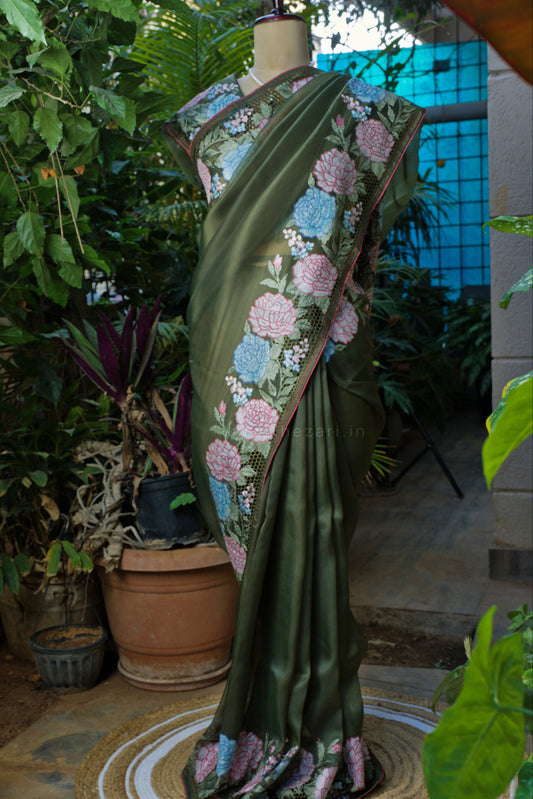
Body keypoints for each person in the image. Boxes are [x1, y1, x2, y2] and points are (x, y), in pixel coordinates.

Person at [162, 4, 424, 797]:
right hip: (230, 364)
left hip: (324, 369)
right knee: (262, 543)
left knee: (319, 541)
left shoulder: (361, 112)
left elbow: (359, 248)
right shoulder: (206, 118)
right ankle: (261, 720)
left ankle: (322, 733)